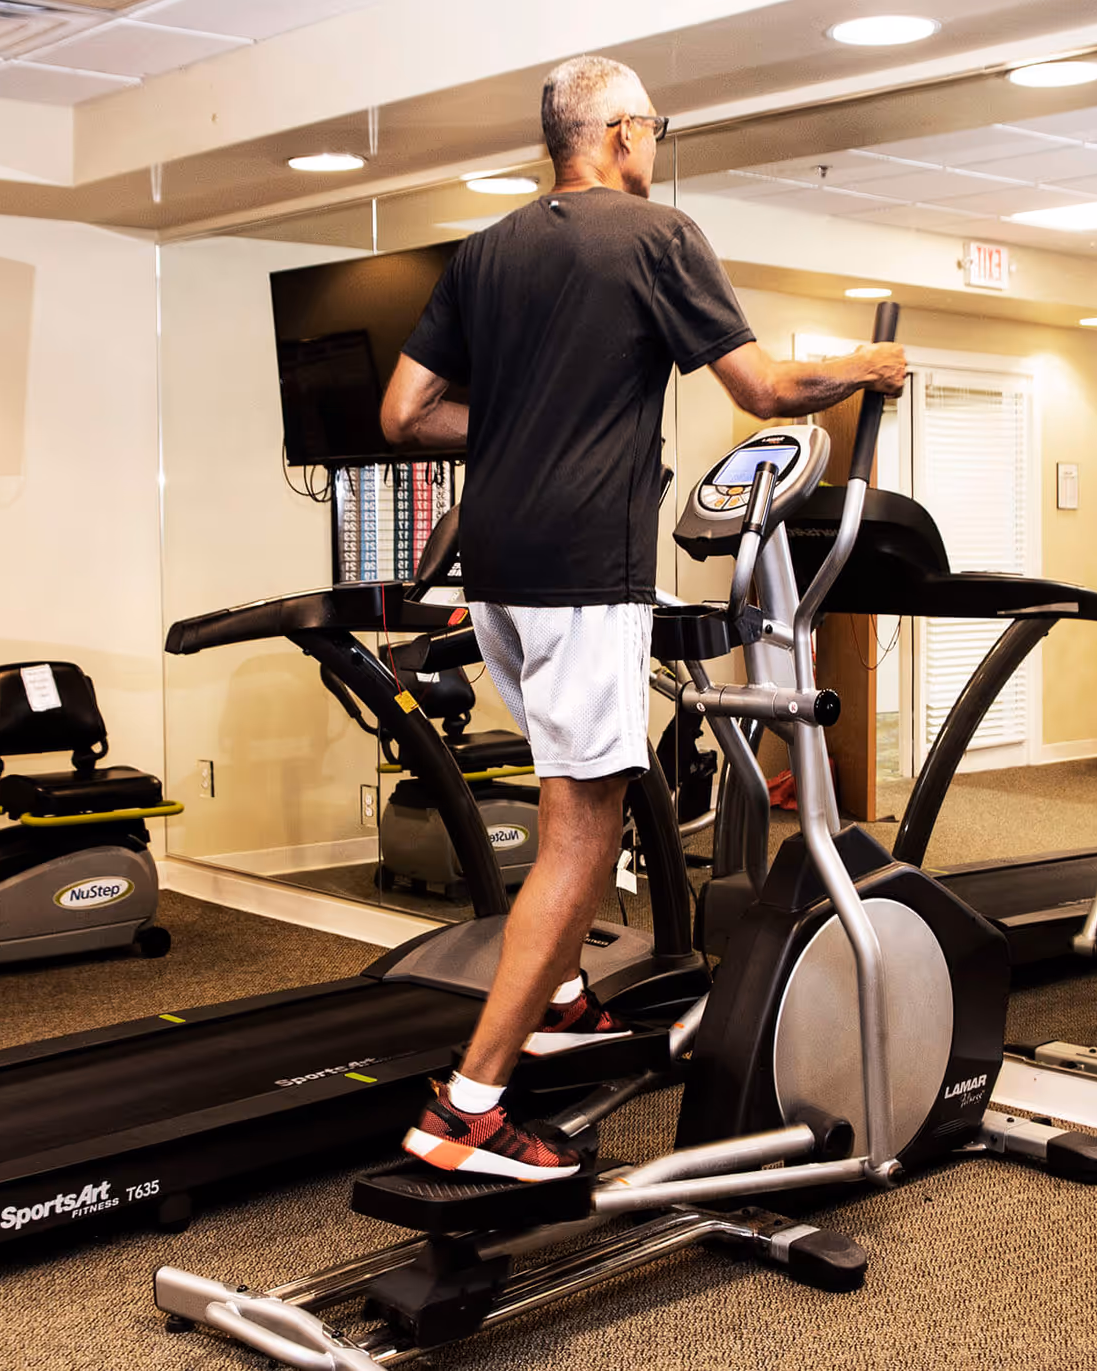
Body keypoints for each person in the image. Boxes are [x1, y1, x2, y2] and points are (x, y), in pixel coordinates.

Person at [380, 54, 906, 1181]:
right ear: (620, 135)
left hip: (497, 574)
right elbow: (761, 390)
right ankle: (469, 1109)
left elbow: (403, 412)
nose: (652, 148)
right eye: (652, 130)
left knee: (582, 778)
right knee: (586, 827)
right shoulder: (654, 234)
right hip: (582, 571)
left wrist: (519, 428)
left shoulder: (484, 249)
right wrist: (862, 367)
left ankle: (561, 997)